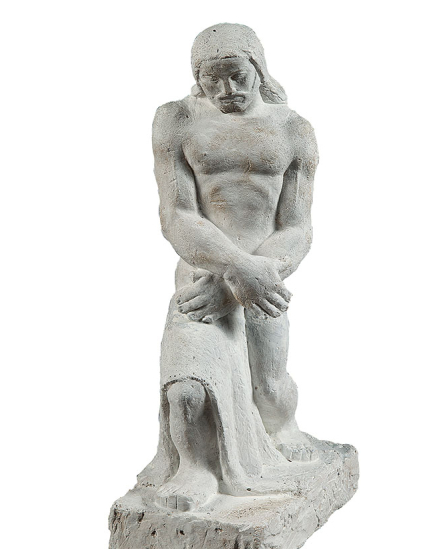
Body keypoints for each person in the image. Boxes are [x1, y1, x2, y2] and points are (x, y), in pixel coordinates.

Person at [137, 23, 320, 511]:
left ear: (259, 68)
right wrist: (235, 271)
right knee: (187, 391)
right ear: (197, 77)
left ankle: (280, 430)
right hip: (202, 276)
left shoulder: (293, 130)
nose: (227, 90)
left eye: (238, 76)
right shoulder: (176, 120)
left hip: (267, 279)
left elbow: (298, 227)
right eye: (212, 79)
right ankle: (194, 467)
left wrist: (250, 279)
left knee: (271, 393)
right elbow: (176, 215)